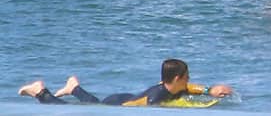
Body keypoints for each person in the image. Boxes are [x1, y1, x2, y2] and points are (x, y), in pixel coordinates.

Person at [18, 58, 231, 107]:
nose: (189, 80)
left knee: (93, 105)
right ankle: (40, 91)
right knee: (87, 111)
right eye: (187, 76)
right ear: (176, 78)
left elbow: (188, 89)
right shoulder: (156, 98)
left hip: (123, 98)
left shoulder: (171, 86)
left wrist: (209, 90)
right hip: (119, 105)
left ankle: (73, 87)